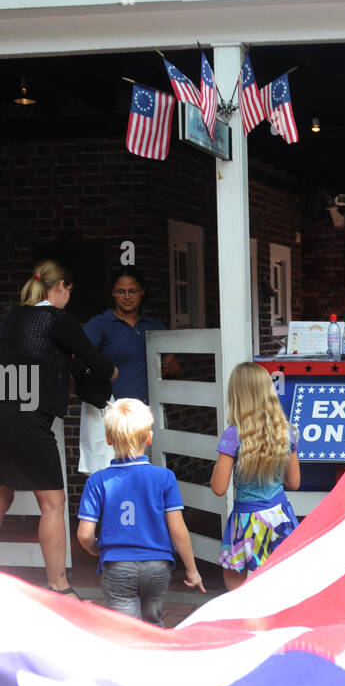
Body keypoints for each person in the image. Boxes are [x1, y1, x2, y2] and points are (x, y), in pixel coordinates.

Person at [0, 259, 117, 597]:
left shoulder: (12, 317)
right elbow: (94, 360)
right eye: (69, 290)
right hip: (29, 419)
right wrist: (112, 373)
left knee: (2, 494)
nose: (69, 296)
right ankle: (59, 586)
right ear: (61, 287)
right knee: (52, 502)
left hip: (3, 409)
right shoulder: (56, 318)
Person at [77, 398, 205, 623]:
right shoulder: (164, 478)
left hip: (117, 565)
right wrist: (192, 569)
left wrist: (96, 550)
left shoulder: (97, 481)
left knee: (125, 631)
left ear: (107, 438)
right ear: (149, 437)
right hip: (157, 565)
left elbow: (84, 534)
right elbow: (178, 529)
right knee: (153, 624)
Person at [211, 361, 301, 591]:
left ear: (237, 395)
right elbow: (294, 482)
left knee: (234, 573)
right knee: (280, 577)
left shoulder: (233, 434)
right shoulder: (286, 432)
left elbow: (219, 487)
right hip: (280, 514)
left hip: (246, 518)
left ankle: (244, 619)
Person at [83, 269, 179, 405]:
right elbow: (78, 361)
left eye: (132, 291)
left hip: (149, 409)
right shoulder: (99, 324)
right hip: (113, 410)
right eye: (121, 292)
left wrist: (168, 369)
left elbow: (174, 367)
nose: (127, 297)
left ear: (142, 291)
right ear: (113, 293)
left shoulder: (154, 326)